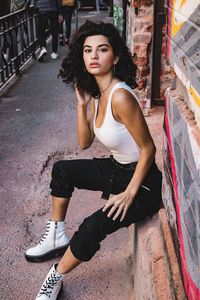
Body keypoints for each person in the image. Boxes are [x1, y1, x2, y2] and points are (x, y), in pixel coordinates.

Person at [25, 21, 162, 300]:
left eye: (102, 49)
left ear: (116, 56)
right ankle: (55, 236)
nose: (94, 56)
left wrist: (129, 193)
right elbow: (85, 142)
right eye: (88, 50)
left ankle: (55, 276)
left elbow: (148, 149)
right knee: (62, 171)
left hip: (143, 182)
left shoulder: (121, 96)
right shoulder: (99, 93)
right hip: (117, 168)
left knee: (92, 226)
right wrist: (82, 105)